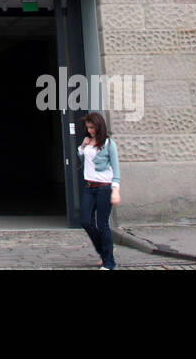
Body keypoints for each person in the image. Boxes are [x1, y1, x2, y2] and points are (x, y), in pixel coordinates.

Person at [78, 111, 120, 270]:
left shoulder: (109, 144)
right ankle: (105, 251)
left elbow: (116, 170)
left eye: (92, 127)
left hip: (104, 188)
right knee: (85, 221)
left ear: (99, 126)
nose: (90, 130)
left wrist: (115, 190)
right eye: (88, 127)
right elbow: (82, 159)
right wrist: (82, 147)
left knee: (102, 225)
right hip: (89, 187)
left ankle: (109, 263)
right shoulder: (88, 142)